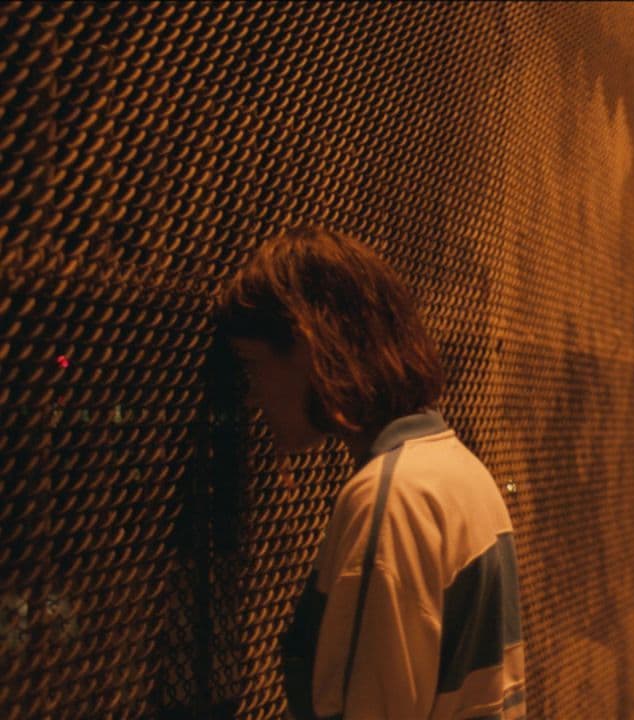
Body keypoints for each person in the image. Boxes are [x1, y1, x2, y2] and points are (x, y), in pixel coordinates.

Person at [213, 226, 526, 719]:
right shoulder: (459, 470)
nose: (252, 396)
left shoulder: (393, 496)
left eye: (253, 366)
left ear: (305, 345)